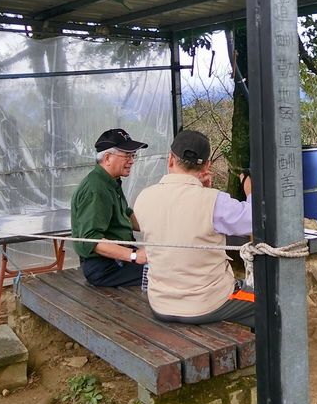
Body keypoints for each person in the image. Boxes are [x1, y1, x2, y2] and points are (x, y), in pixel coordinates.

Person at [132, 129, 255, 329]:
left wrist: (202, 190)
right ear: (207, 165)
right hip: (207, 303)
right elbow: (254, 220)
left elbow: (181, 216)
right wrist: (250, 188)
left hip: (160, 303)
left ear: (170, 159)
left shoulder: (143, 198)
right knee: (270, 304)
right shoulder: (214, 201)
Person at [71, 128, 149, 287]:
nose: (132, 161)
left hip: (118, 258)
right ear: (107, 158)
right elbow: (91, 240)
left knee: (165, 262)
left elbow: (127, 214)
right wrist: (134, 256)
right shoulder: (96, 189)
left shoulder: (110, 181)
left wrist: (158, 228)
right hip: (104, 267)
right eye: (127, 155)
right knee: (161, 272)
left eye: (133, 155)